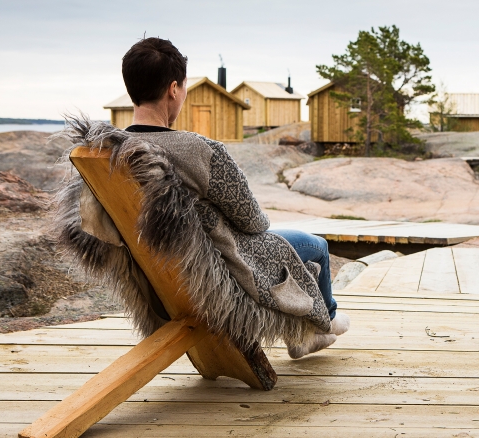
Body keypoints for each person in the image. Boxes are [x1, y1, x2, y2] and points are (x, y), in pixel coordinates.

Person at [119, 36, 348, 358]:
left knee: (290, 246)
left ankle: (305, 335)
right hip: (217, 265)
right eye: (183, 88)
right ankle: (325, 321)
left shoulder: (108, 153)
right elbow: (253, 222)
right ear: (173, 89)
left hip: (156, 270)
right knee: (315, 246)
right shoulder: (198, 150)